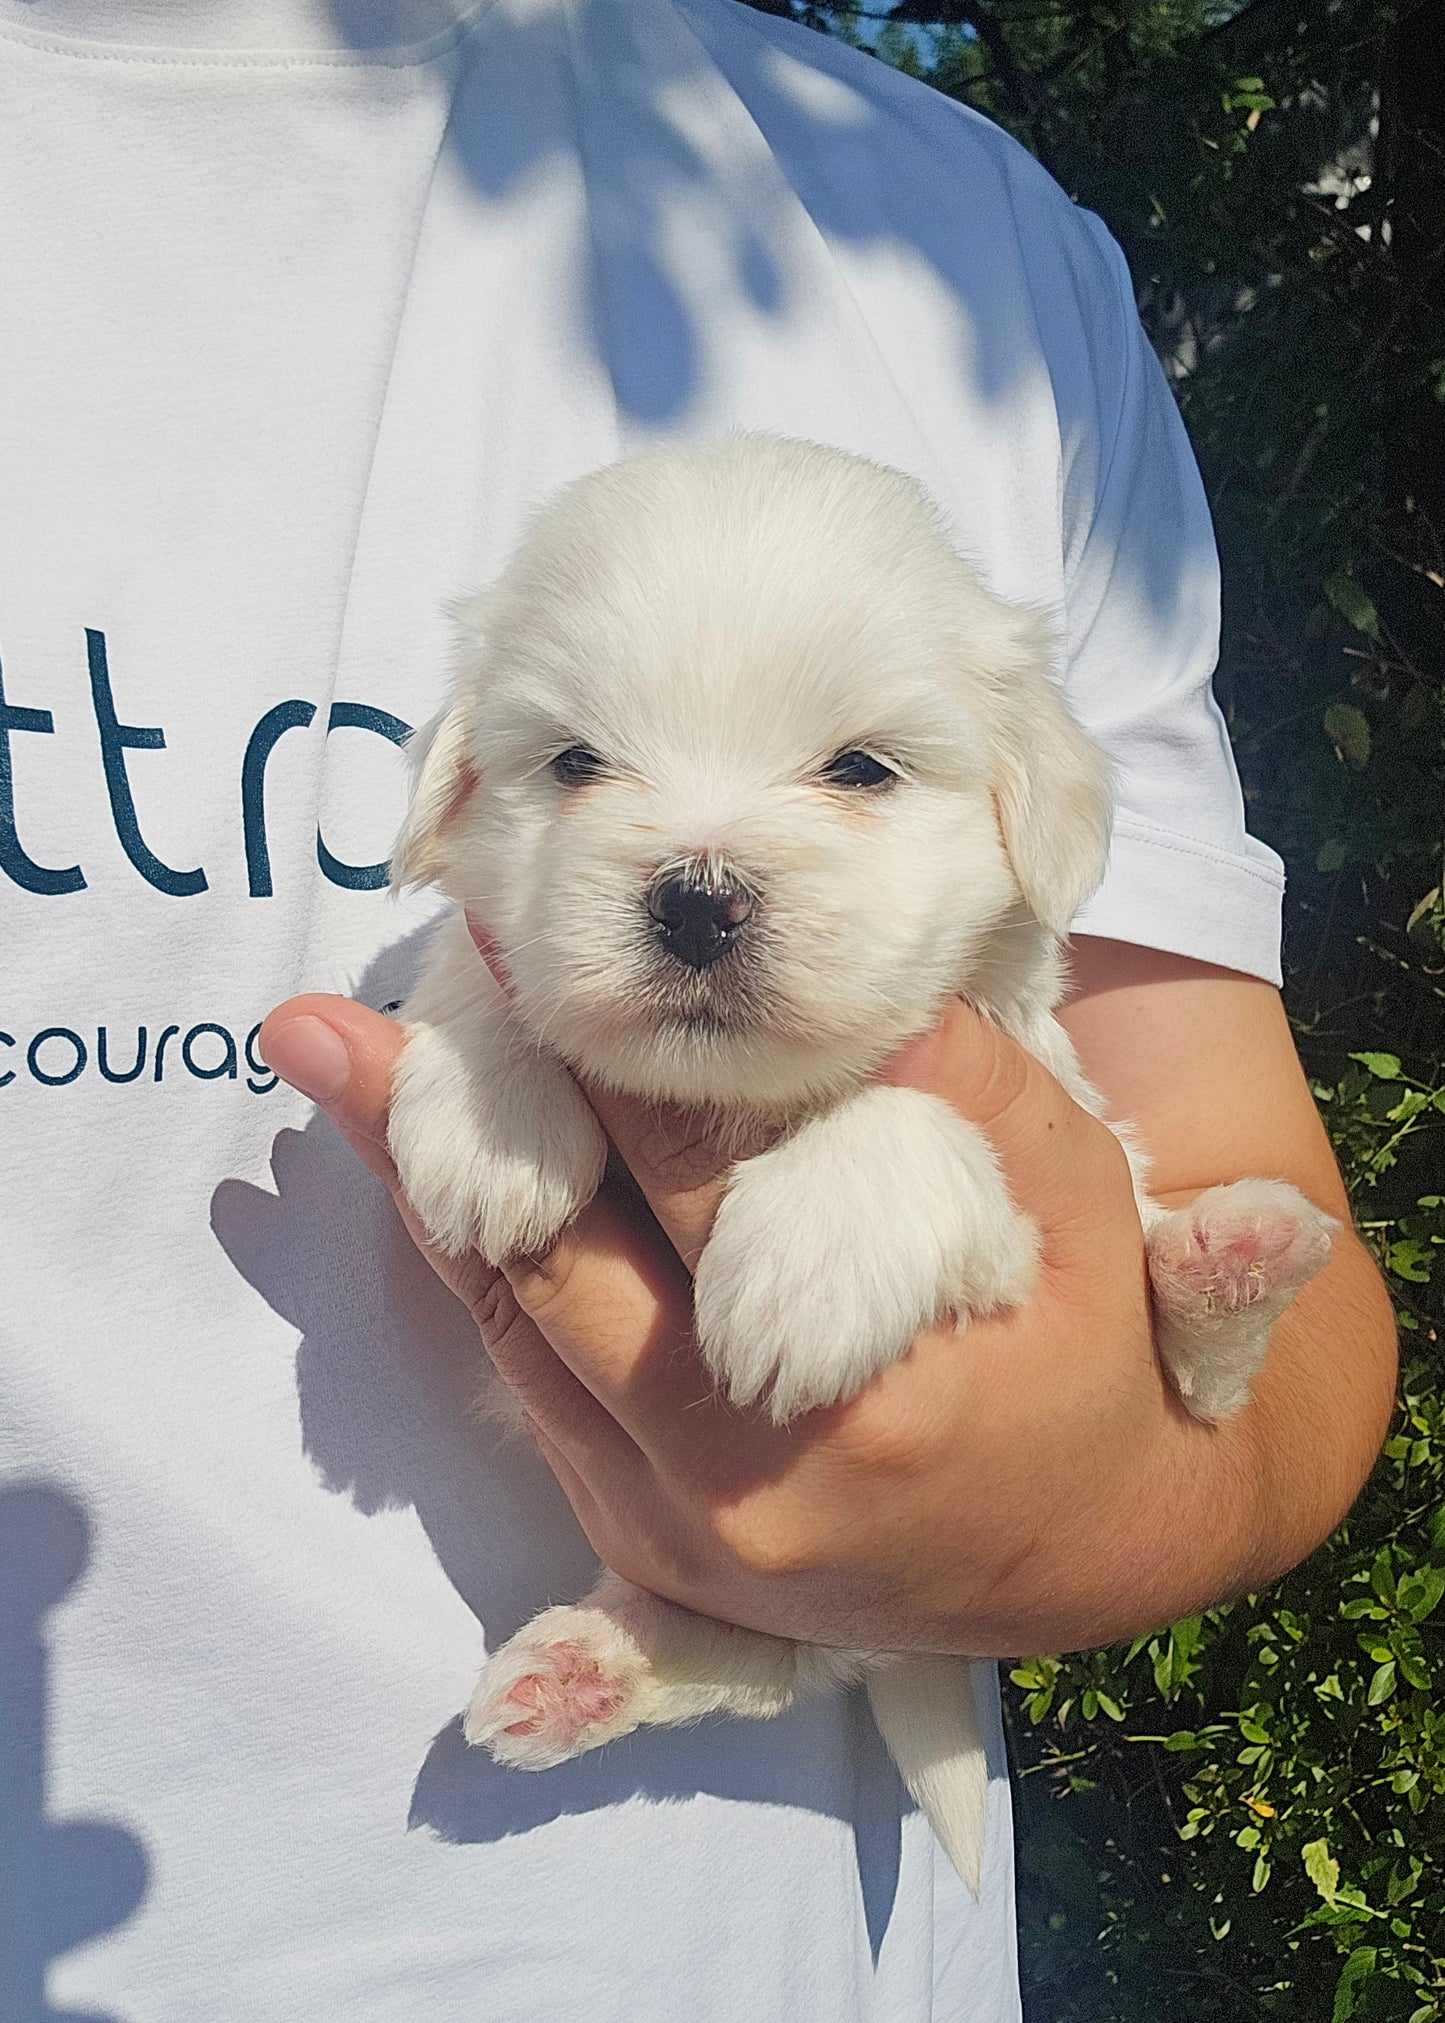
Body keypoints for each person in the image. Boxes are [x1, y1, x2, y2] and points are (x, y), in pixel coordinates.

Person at [0, 0, 1395, 2016]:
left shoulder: (952, 241)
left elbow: (1230, 1259)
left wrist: (1095, 1483)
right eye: (582, 770)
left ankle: (758, 1616)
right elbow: (468, 959)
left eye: (851, 772)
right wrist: (491, 1047)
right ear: (468, 768)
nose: (698, 873)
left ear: (1025, 796)